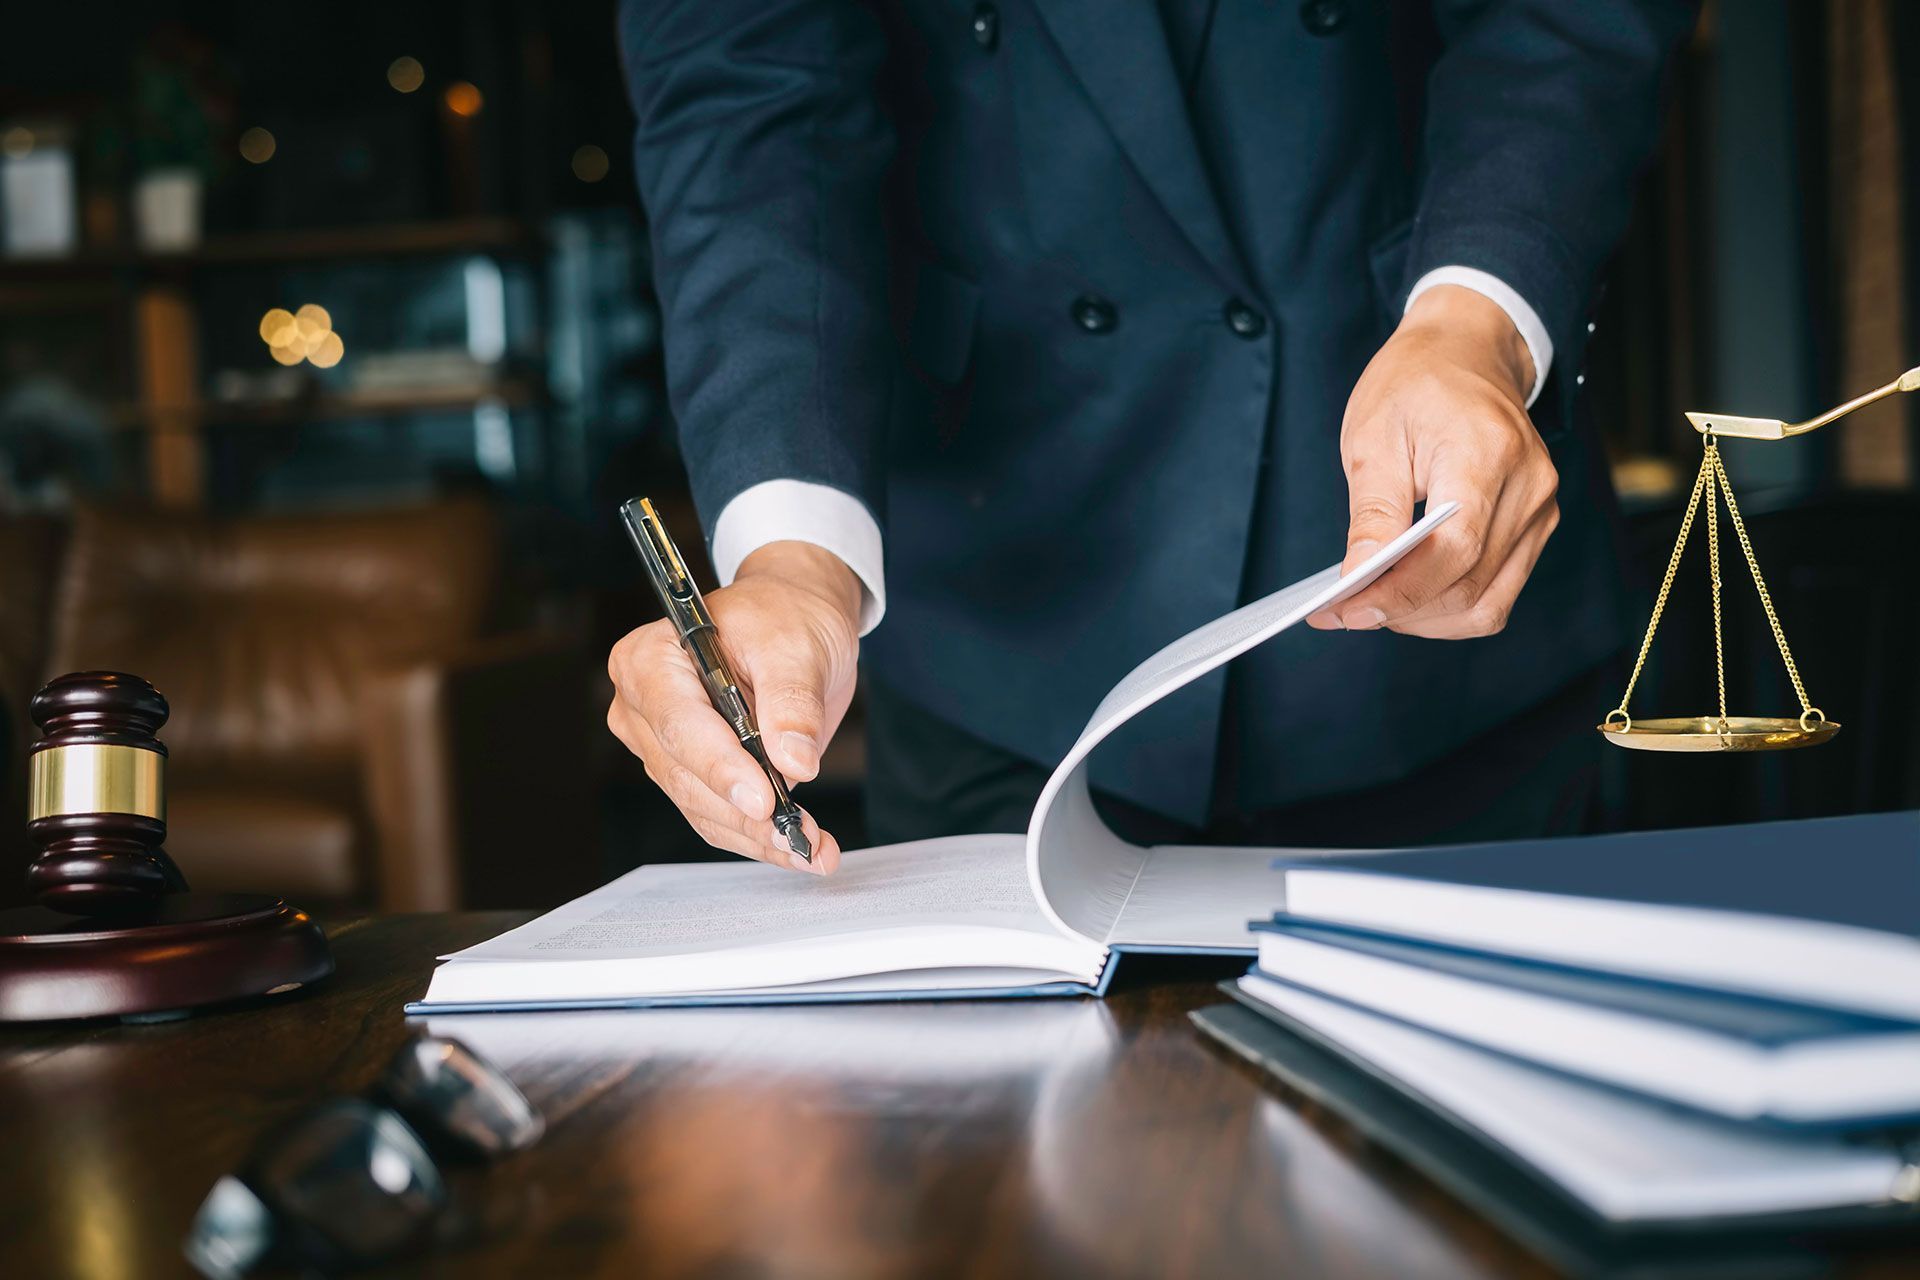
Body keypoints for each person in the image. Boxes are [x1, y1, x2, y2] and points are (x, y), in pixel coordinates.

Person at [608, 0, 1697, 874]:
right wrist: (795, 557)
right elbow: (750, 101)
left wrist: (1477, 319)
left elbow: (1556, 25)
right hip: (1008, 643)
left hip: (1447, 612)